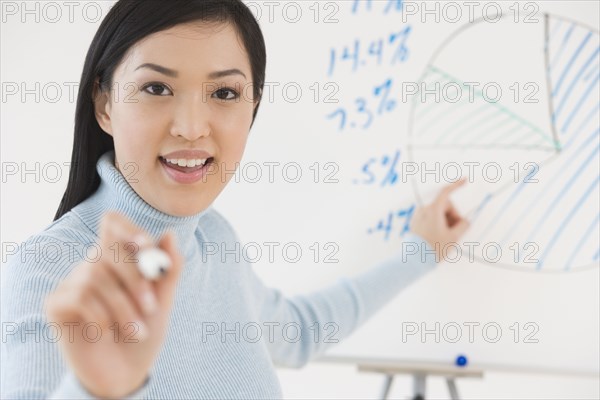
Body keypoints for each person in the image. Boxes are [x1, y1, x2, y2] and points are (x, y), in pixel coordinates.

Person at [0, 1, 470, 398]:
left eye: (224, 92)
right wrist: (101, 390)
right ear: (104, 104)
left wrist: (419, 254)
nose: (190, 126)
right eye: (156, 87)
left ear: (253, 109)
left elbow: (299, 331)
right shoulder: (50, 270)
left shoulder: (211, 239)